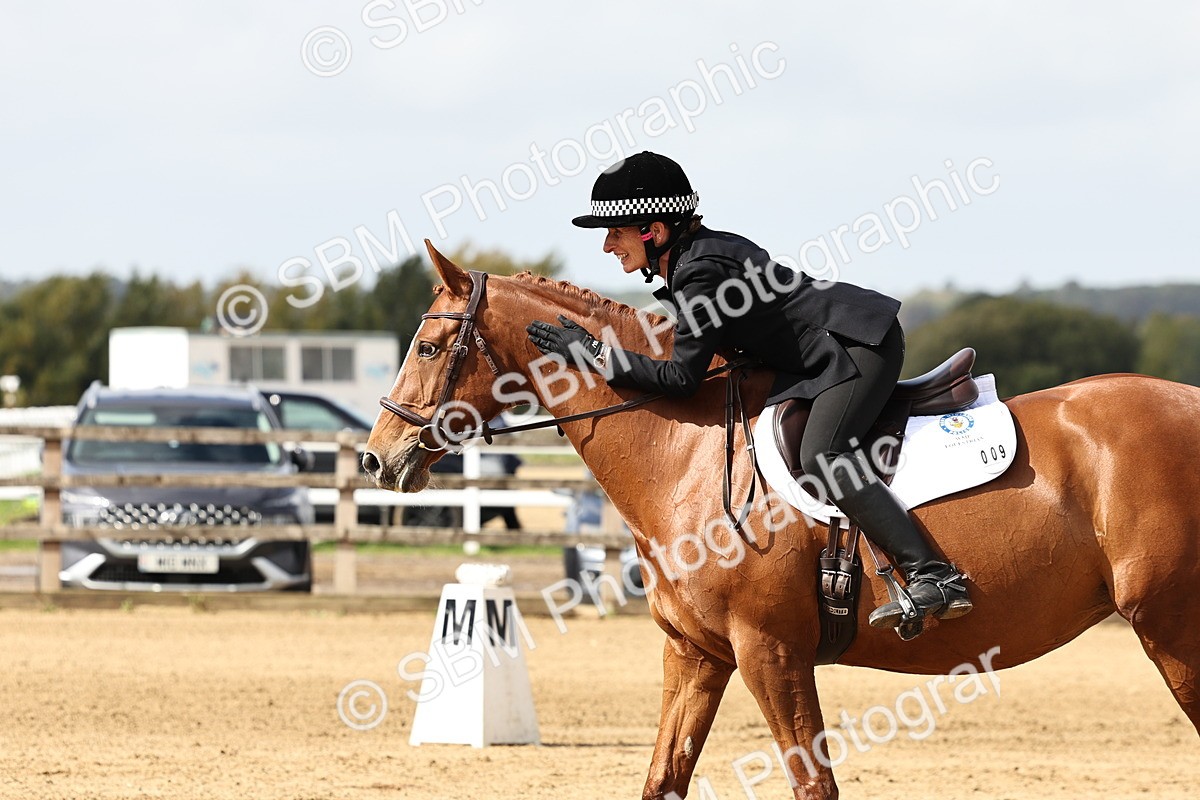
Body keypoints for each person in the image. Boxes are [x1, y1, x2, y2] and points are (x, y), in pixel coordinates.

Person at [526, 151, 971, 631]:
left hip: (856, 347)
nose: (608, 246)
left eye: (615, 232)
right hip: (831, 347)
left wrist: (594, 352)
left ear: (652, 230)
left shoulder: (699, 271)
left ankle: (935, 575)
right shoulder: (698, 254)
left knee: (824, 453)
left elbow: (681, 378)